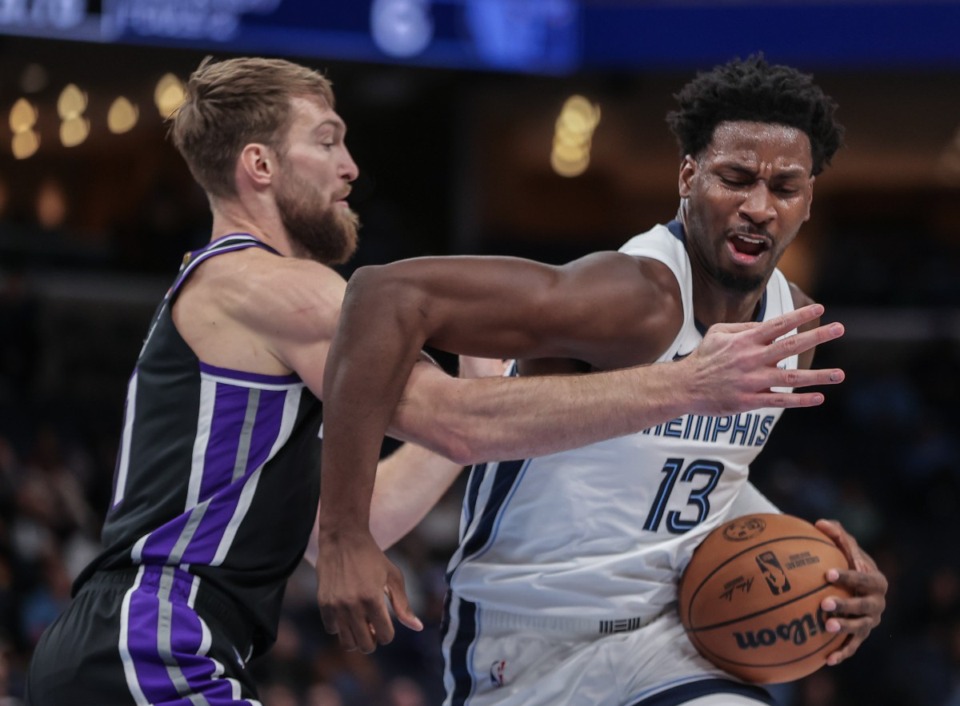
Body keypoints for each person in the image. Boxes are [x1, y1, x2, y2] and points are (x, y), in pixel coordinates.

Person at [22, 56, 848, 706]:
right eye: (328, 141)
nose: (350, 167)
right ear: (259, 166)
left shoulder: (252, 295)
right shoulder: (280, 288)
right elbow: (454, 420)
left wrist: (367, 512)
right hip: (151, 635)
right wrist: (682, 384)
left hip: (157, 637)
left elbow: (370, 508)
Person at [316, 54, 888, 706]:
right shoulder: (631, 297)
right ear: (688, 176)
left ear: (808, 200)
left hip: (669, 633)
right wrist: (343, 533)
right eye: (736, 178)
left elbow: (706, 473)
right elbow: (383, 294)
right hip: (531, 643)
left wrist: (828, 570)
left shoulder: (789, 339)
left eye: (784, 189)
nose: (759, 207)